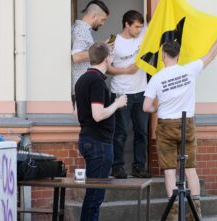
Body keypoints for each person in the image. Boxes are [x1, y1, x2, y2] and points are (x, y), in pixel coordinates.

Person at [144, 24, 217, 220]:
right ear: (178, 56)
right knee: (191, 169)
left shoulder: (156, 79)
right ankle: (195, 212)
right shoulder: (190, 69)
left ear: (163, 55)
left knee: (169, 171)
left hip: (165, 125)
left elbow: (145, 107)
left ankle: (174, 214)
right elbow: (211, 55)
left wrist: (156, 108)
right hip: (187, 125)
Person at [73, 42, 127, 221]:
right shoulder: (96, 81)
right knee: (95, 196)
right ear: (107, 59)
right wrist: (117, 104)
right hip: (99, 143)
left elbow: (77, 114)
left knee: (93, 194)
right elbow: (97, 115)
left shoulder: (82, 79)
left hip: (88, 138)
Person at [107, 10, 150, 179]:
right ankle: (117, 167)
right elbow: (108, 68)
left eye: (141, 27)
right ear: (127, 25)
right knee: (120, 132)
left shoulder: (142, 34)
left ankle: (139, 167)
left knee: (142, 132)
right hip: (120, 92)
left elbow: (158, 20)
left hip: (141, 91)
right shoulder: (113, 41)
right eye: (136, 27)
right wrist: (126, 70)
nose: (139, 30)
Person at [72, 1, 110, 110]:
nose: (102, 24)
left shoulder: (81, 29)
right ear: (94, 16)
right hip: (82, 87)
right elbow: (76, 56)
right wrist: (100, 49)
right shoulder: (81, 30)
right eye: (103, 20)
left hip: (82, 86)